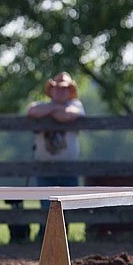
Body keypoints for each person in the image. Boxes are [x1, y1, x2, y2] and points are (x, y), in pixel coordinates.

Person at [25, 71, 85, 240]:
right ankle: (45, 239)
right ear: (51, 91)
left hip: (68, 168)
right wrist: (56, 108)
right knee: (46, 206)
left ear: (70, 90)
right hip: (45, 167)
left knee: (67, 207)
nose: (60, 91)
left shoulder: (76, 105)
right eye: (57, 88)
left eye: (64, 88)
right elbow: (32, 111)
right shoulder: (41, 105)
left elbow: (68, 115)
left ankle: (61, 241)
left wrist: (51, 111)